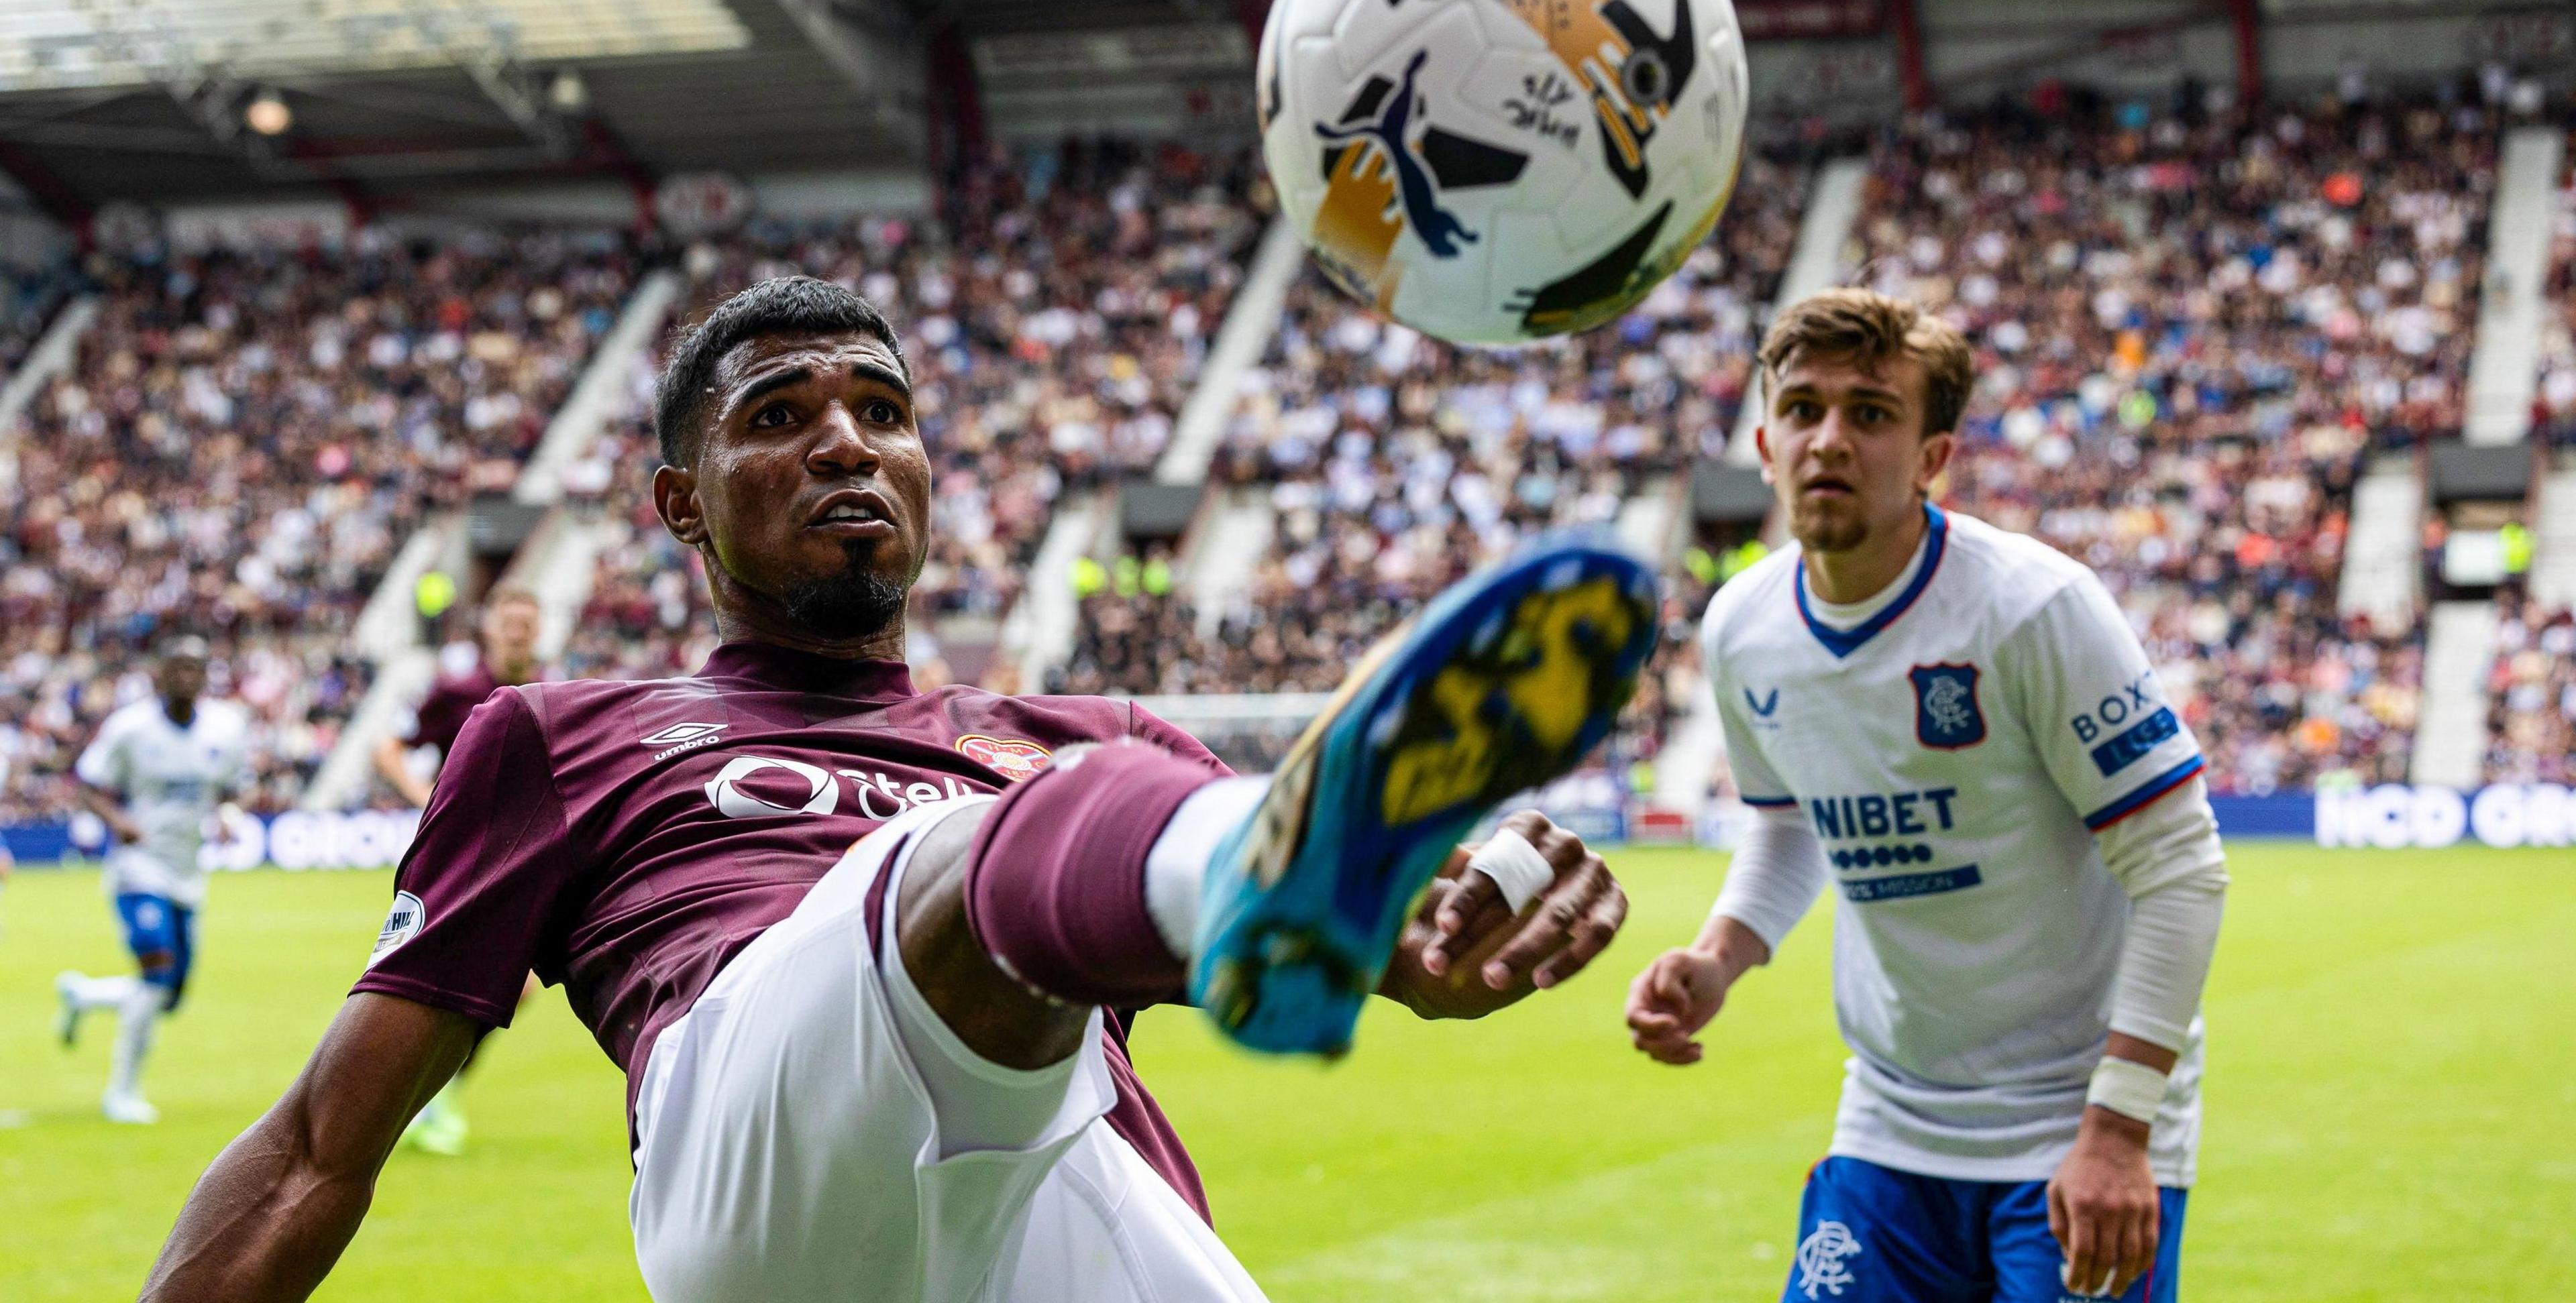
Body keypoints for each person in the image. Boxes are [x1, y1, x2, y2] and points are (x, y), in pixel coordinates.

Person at [144, 276, 1656, 1301]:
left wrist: (1440, 928)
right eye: (780, 416)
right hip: (772, 1170)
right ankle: (1274, 835)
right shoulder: (558, 732)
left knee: (1068, 821)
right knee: (972, 845)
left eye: (881, 408)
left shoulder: (1080, 722)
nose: (846, 441)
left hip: (1057, 1179)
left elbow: (1386, 971)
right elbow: (320, 1144)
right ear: (681, 502)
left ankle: (1286, 847)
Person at [1625, 290, 2229, 1303]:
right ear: (1766, 441)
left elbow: (2180, 866)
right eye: (1806, 409)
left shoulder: (2034, 606)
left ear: (1932, 455)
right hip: (1892, 1118)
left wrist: (2122, 1128)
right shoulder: (1743, 626)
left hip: (2077, 1120)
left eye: (1870, 413)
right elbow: (1788, 824)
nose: (1830, 439)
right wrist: (1718, 956)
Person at [369, 586, 547, 1155]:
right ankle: (408, 1099)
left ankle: (430, 1097)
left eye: (527, 624)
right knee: (440, 983)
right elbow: (389, 748)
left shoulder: (552, 687)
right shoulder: (457, 691)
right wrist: (425, 793)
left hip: (519, 855)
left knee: (514, 991)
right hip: (458, 855)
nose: (518, 632)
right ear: (489, 628)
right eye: (509, 622)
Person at [56, 634, 251, 1125]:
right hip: (138, 867)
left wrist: (227, 814)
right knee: (157, 969)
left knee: (167, 995)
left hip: (187, 871)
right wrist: (117, 820)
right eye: (177, 665)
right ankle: (121, 1091)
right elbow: (88, 785)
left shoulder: (225, 730)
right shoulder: (130, 728)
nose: (186, 674)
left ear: (207, 676)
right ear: (158, 674)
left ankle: (85, 995)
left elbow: (235, 790)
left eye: (195, 667)